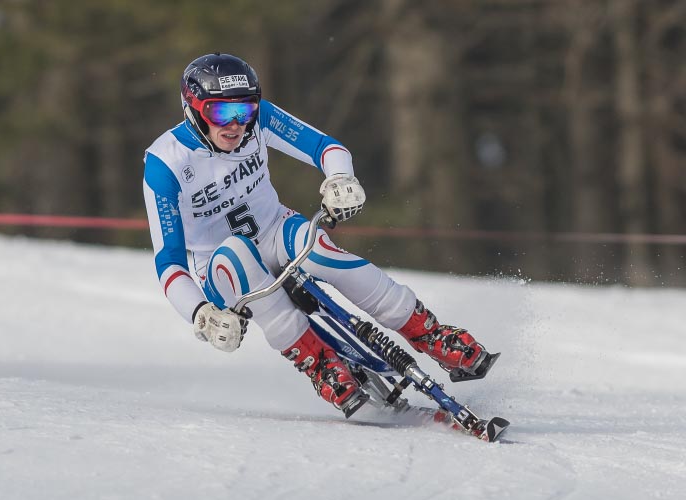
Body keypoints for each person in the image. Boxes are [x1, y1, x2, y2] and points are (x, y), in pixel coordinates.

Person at [142, 53, 495, 417]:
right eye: (220, 114)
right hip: (221, 269)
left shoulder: (260, 119)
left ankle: (428, 331)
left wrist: (340, 179)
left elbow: (326, 147)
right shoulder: (165, 163)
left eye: (244, 111)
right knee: (234, 252)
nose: (235, 125)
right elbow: (168, 261)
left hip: (275, 231)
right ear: (192, 110)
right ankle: (320, 363)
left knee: (322, 253)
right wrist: (199, 313)